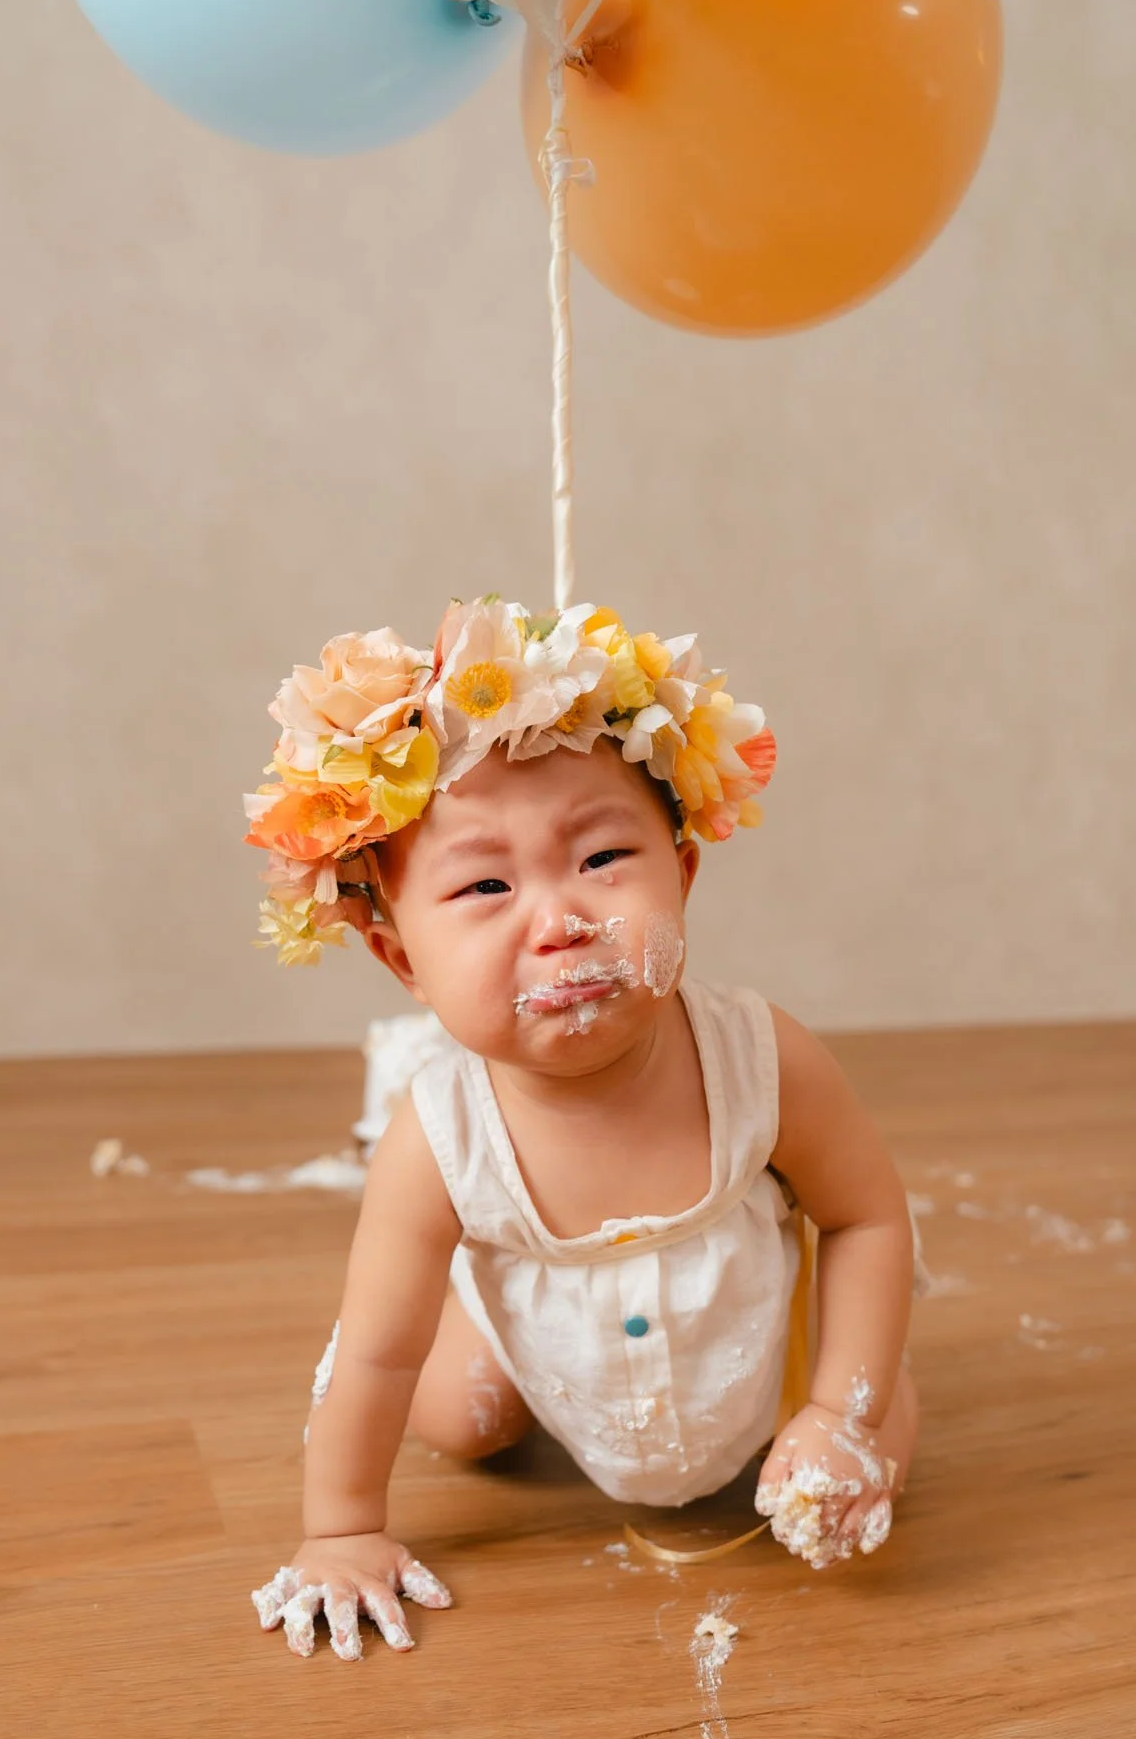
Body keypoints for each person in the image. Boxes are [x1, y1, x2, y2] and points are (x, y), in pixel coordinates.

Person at [245, 597, 918, 1661]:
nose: (559, 921)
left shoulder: (760, 1056)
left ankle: (838, 1403)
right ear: (403, 963)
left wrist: (841, 1406)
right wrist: (342, 1530)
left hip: (755, 1344)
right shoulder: (442, 1138)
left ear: (684, 878)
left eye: (602, 860)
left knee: (865, 1434)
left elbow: (869, 1218)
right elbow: (372, 1355)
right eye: (483, 885)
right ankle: (500, 1344)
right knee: (456, 1413)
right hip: (551, 1344)